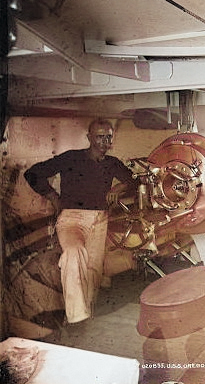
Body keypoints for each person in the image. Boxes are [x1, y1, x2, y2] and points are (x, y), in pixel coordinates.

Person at [24, 118, 135, 323]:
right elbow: (32, 174)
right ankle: (76, 318)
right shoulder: (71, 158)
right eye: (100, 136)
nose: (104, 141)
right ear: (89, 138)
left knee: (93, 270)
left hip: (100, 220)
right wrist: (53, 197)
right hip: (72, 219)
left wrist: (120, 187)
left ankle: (87, 317)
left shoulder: (112, 163)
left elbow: (133, 181)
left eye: (108, 137)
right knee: (74, 254)